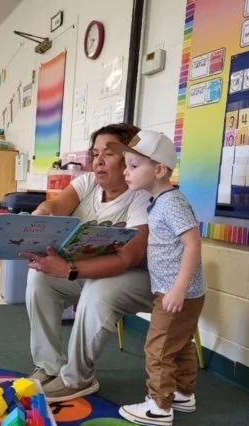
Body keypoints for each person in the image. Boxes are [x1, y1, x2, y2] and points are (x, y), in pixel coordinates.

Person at [22, 123, 154, 402]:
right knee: (40, 278)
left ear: (132, 158)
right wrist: (43, 212)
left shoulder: (142, 196)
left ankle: (77, 378)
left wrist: (69, 270)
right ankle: (49, 366)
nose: (99, 161)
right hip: (93, 272)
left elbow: (128, 258)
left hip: (142, 278)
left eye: (109, 153)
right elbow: (57, 206)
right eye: (95, 153)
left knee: (98, 290)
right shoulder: (88, 182)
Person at [111, 131, 206, 426]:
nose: (126, 171)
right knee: (180, 344)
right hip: (179, 290)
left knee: (159, 348)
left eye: (134, 165)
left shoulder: (171, 202)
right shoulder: (160, 201)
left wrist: (178, 289)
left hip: (176, 291)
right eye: (126, 165)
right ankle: (183, 392)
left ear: (160, 170)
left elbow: (193, 244)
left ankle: (159, 405)